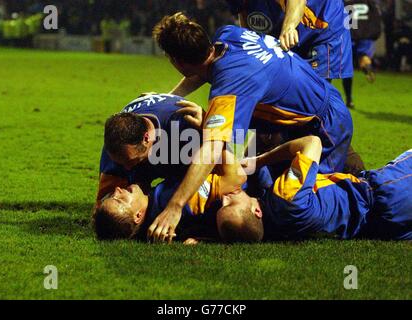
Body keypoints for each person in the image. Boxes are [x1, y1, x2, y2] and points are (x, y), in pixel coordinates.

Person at [149, 12, 358, 242]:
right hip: (304, 113)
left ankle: (363, 203)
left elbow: (212, 149)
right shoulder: (227, 35)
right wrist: (165, 99)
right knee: (246, 165)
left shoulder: (230, 84)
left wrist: (175, 206)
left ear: (177, 62)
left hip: (324, 123)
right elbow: (202, 71)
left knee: (298, 208)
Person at [217, 136, 412, 241]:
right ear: (257, 211)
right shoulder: (285, 198)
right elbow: (312, 143)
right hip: (384, 194)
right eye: (229, 202)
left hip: (383, 228)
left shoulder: (271, 228)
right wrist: (260, 160)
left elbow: (240, 226)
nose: (224, 198)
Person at [93, 149, 247, 241]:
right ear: (138, 216)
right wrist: (212, 134)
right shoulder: (172, 200)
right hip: (255, 186)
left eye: (112, 196)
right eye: (120, 201)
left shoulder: (154, 215)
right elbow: (237, 177)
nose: (117, 190)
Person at [96, 93, 203, 206]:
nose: (126, 168)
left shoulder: (185, 125)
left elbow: (216, 175)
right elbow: (105, 206)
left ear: (146, 138)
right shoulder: (118, 142)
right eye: (120, 162)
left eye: (131, 161)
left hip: (180, 149)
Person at [224, 0, 354, 81]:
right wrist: (251, 48)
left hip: (322, 26)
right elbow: (242, 10)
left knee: (314, 88)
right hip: (278, 27)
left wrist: (289, 27)